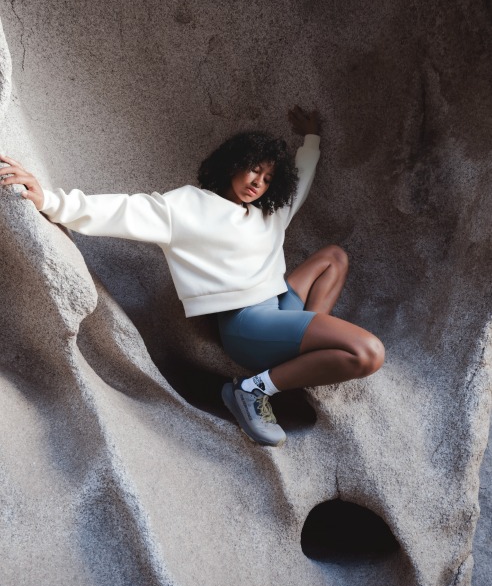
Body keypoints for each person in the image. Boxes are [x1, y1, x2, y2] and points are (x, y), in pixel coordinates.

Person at [0, 105, 384, 447]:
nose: (257, 182)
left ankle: (299, 355)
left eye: (268, 178)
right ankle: (252, 391)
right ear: (234, 162)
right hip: (249, 324)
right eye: (254, 167)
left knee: (334, 257)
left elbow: (300, 180)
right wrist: (48, 199)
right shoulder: (189, 206)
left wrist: (312, 138)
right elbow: (124, 210)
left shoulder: (270, 213)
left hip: (280, 304)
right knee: (368, 352)